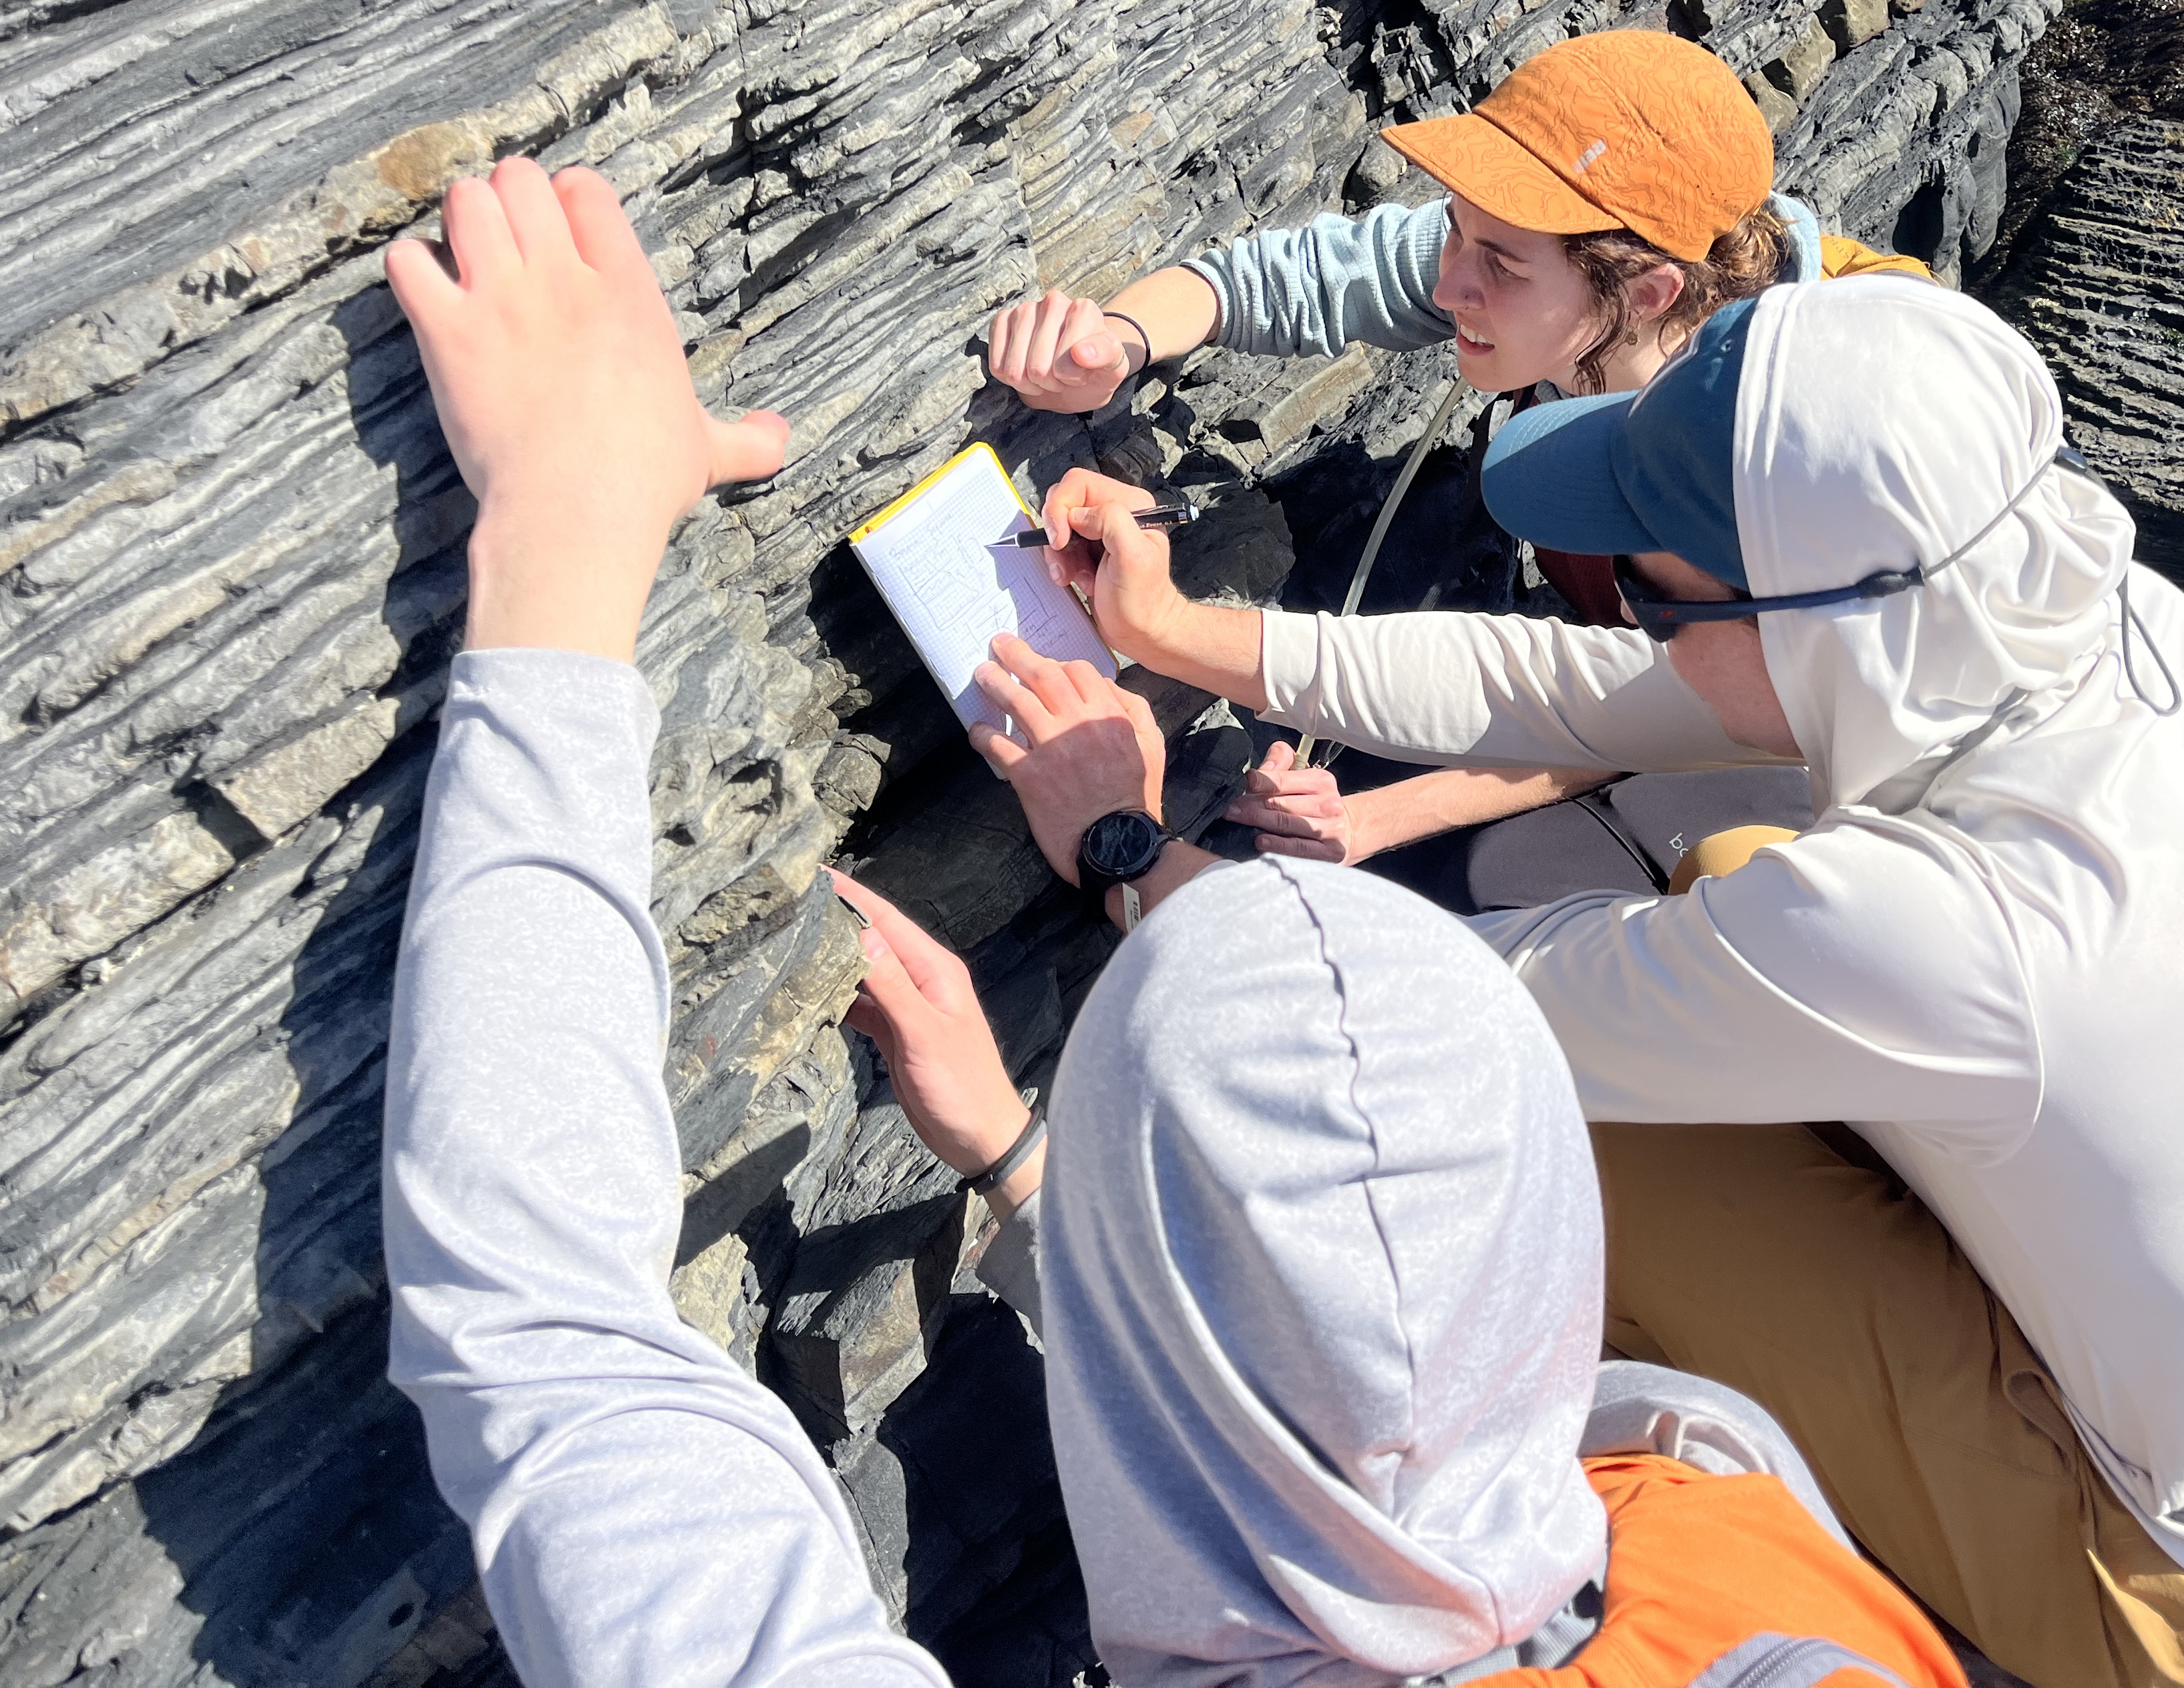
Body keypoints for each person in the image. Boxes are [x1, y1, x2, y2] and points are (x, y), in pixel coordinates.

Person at [378, 157, 1972, 1687]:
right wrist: (1016, 1147)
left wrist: (564, 544)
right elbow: (1364, 1454)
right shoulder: (1738, 1523)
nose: (1461, 271)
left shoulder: (1721, 1482)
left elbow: (550, 1345)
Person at [1025, 273, 2184, 1688]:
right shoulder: (2089, 627)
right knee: (1739, 864)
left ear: (1821, 621)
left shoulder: (1955, 932)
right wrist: (1174, 635)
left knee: (1539, 1140)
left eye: (1658, 599)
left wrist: (1127, 857)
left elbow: (1408, 1039)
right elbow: (1577, 692)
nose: (1628, 631)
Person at [989, 29, 1928, 877]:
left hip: (1829, 776)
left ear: (1647, 294)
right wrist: (1114, 344)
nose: (1450, 283)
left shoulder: (1799, 471)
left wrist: (1383, 817)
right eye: (1455, 231)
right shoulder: (1556, 277)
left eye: (1500, 265)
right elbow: (1290, 279)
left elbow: (1671, 709)